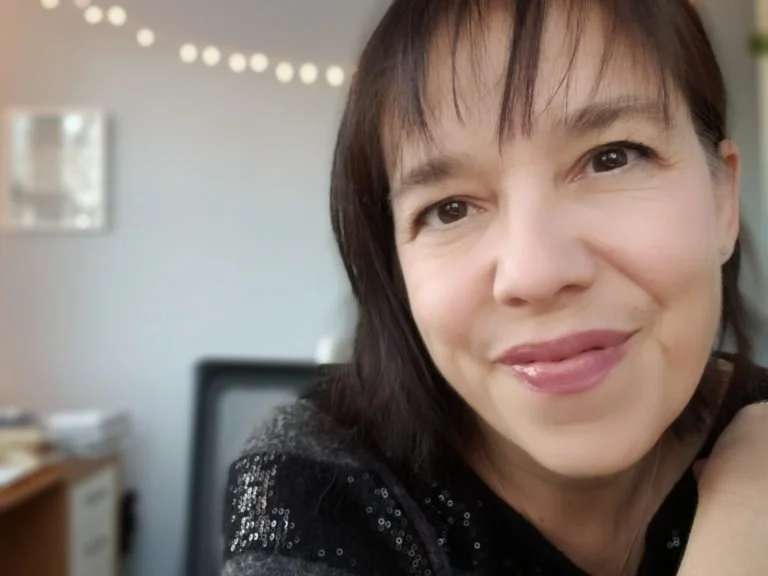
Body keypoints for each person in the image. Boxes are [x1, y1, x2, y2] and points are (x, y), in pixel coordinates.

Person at [222, 1, 768, 575]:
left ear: (723, 201)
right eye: (450, 209)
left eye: (612, 158)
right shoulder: (322, 483)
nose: (534, 274)